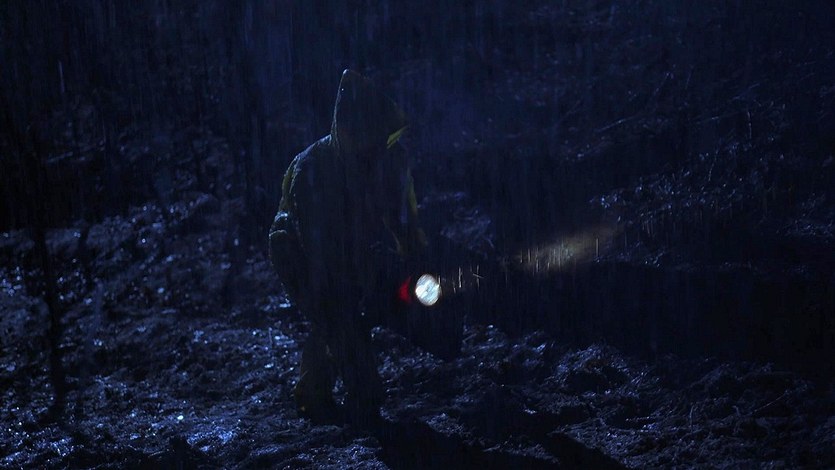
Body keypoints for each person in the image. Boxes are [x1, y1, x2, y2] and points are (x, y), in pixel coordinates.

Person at [269, 69, 426, 425]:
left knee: (336, 317)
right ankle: (353, 395)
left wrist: (415, 259)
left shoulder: (387, 162)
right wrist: (352, 281)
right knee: (336, 314)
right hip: (294, 248)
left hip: (348, 244)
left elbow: (403, 220)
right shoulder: (313, 169)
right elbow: (318, 246)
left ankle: (316, 393)